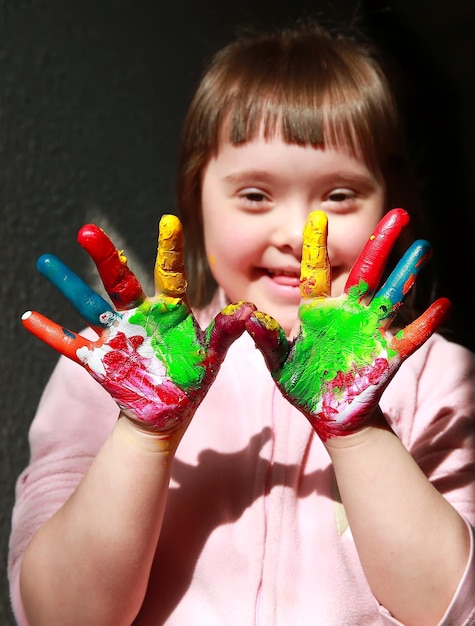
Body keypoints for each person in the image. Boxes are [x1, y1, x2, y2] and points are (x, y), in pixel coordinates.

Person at [8, 20, 475, 626]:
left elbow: (454, 608)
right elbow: (60, 616)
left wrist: (357, 431)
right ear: (195, 200)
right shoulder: (112, 372)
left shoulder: (440, 379)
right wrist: (143, 431)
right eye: (255, 195)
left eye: (339, 195)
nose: (299, 235)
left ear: (390, 199)